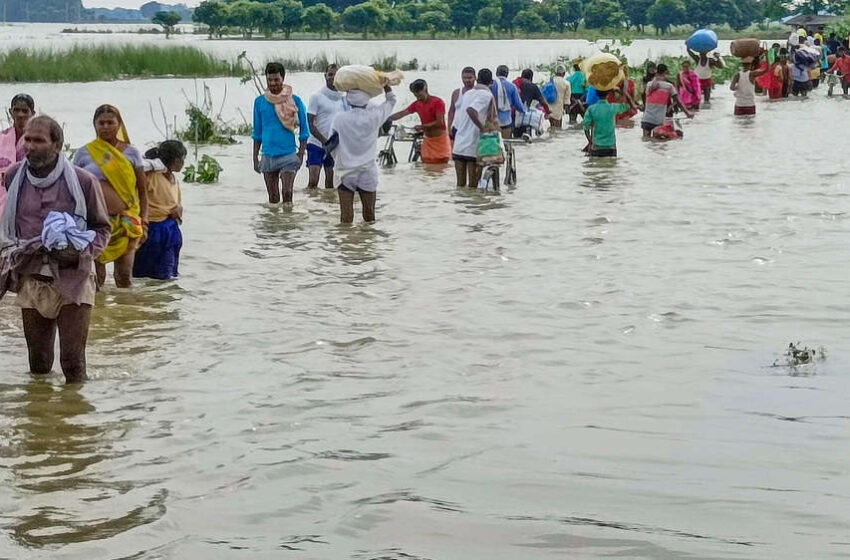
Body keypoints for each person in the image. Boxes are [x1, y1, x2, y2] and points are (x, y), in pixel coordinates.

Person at [0, 116, 110, 383]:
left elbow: (102, 229)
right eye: (27, 139)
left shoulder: (83, 182)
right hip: (32, 276)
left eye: (39, 140)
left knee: (72, 364)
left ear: (57, 144)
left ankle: (73, 420)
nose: (30, 146)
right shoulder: (14, 176)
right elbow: (9, 229)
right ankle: (41, 418)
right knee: (38, 364)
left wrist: (81, 252)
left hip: (74, 277)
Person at [73, 104, 147, 288]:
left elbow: (143, 190)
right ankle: (98, 315)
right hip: (95, 222)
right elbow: (75, 189)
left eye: (110, 122)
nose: (105, 126)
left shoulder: (132, 153)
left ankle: (124, 315)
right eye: (101, 123)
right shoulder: (84, 153)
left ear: (119, 124)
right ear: (95, 125)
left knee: (124, 277)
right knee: (96, 280)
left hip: (126, 222)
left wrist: (145, 220)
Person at [329, 86, 396, 224]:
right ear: (367, 100)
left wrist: (341, 160)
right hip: (367, 171)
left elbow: (331, 145)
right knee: (369, 215)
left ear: (349, 101)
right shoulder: (374, 116)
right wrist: (386, 85)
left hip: (345, 173)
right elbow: (392, 101)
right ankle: (368, 243)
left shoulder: (339, 119)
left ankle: (346, 244)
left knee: (346, 218)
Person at [252, 62, 310, 204]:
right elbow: (257, 133)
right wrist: (255, 157)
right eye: (270, 80)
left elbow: (305, 130)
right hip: (268, 156)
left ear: (282, 79)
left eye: (276, 80)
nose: (273, 83)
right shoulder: (260, 102)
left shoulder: (295, 100)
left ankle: (288, 224)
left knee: (287, 192)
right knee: (273, 198)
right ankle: (275, 224)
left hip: (288, 155)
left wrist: (300, 154)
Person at [133, 140, 186, 280]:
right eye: (182, 159)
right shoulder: (151, 176)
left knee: (169, 275)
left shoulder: (173, 178)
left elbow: (175, 202)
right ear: (176, 160)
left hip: (171, 229)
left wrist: (179, 210)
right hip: (153, 230)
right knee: (149, 276)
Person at [451, 69, 498, 188]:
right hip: (473, 145)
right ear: (491, 82)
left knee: (460, 186)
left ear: (477, 79)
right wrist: (482, 128)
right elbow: (471, 110)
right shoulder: (486, 95)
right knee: (473, 187)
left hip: (459, 145)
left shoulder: (468, 93)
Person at [388, 79, 451, 164]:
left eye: (420, 95)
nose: (418, 98)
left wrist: (422, 127)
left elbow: (440, 123)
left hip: (440, 140)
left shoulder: (438, 102)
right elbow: (402, 113)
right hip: (428, 140)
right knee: (426, 167)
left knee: (442, 166)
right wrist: (387, 118)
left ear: (425, 89)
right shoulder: (417, 104)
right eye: (416, 96)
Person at [306, 64, 346, 189]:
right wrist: (325, 141)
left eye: (336, 75)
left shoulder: (344, 100)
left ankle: (327, 208)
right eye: (330, 74)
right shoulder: (316, 97)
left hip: (333, 146)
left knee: (330, 184)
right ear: (325, 76)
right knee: (313, 181)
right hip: (316, 144)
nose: (333, 78)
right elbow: (311, 125)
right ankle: (311, 206)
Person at [0, 94, 35, 215]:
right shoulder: (1, 138)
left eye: (25, 111)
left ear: (32, 113)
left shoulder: (38, 141)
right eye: (16, 110)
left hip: (29, 196)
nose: (20, 115)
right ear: (10, 112)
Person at [583, 85, 637, 158]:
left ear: (596, 93)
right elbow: (631, 106)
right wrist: (622, 92)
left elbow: (586, 127)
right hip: (611, 147)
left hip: (596, 146)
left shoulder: (591, 109)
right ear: (608, 94)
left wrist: (590, 142)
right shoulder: (613, 107)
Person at [641, 64, 693, 137]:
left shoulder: (649, 84)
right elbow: (678, 101)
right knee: (658, 145)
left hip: (646, 119)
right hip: (658, 120)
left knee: (647, 141)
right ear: (665, 72)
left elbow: (645, 95)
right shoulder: (669, 86)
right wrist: (687, 113)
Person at [491, 65, 526, 139]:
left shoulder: (491, 85)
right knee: (506, 143)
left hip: (492, 121)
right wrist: (524, 111)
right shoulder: (512, 86)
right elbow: (518, 104)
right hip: (506, 121)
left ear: (497, 73)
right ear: (507, 74)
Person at [448, 67, 476, 135]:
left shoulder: (478, 93)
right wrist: (448, 127)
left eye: (469, 78)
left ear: (475, 78)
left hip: (472, 130)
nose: (467, 80)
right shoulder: (456, 93)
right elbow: (451, 111)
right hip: (457, 128)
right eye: (464, 78)